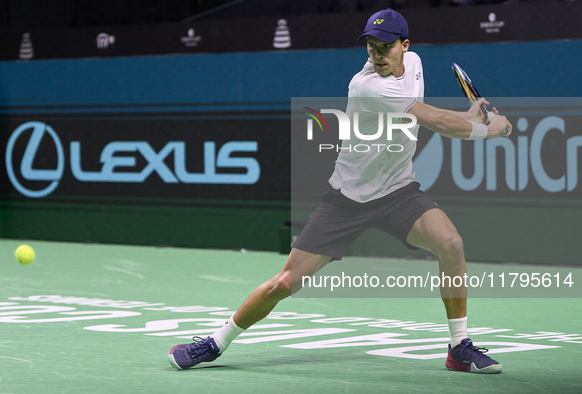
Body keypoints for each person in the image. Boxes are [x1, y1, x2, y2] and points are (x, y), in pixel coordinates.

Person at [168, 8, 512, 374]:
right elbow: (436, 122)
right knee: (285, 283)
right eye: (370, 46)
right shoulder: (367, 85)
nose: (377, 54)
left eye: (385, 46)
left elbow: (425, 111)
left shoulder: (414, 64)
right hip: (347, 201)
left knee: (452, 244)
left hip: (398, 191)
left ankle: (458, 347)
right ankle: (215, 343)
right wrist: (490, 129)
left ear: (404, 46)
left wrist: (473, 116)